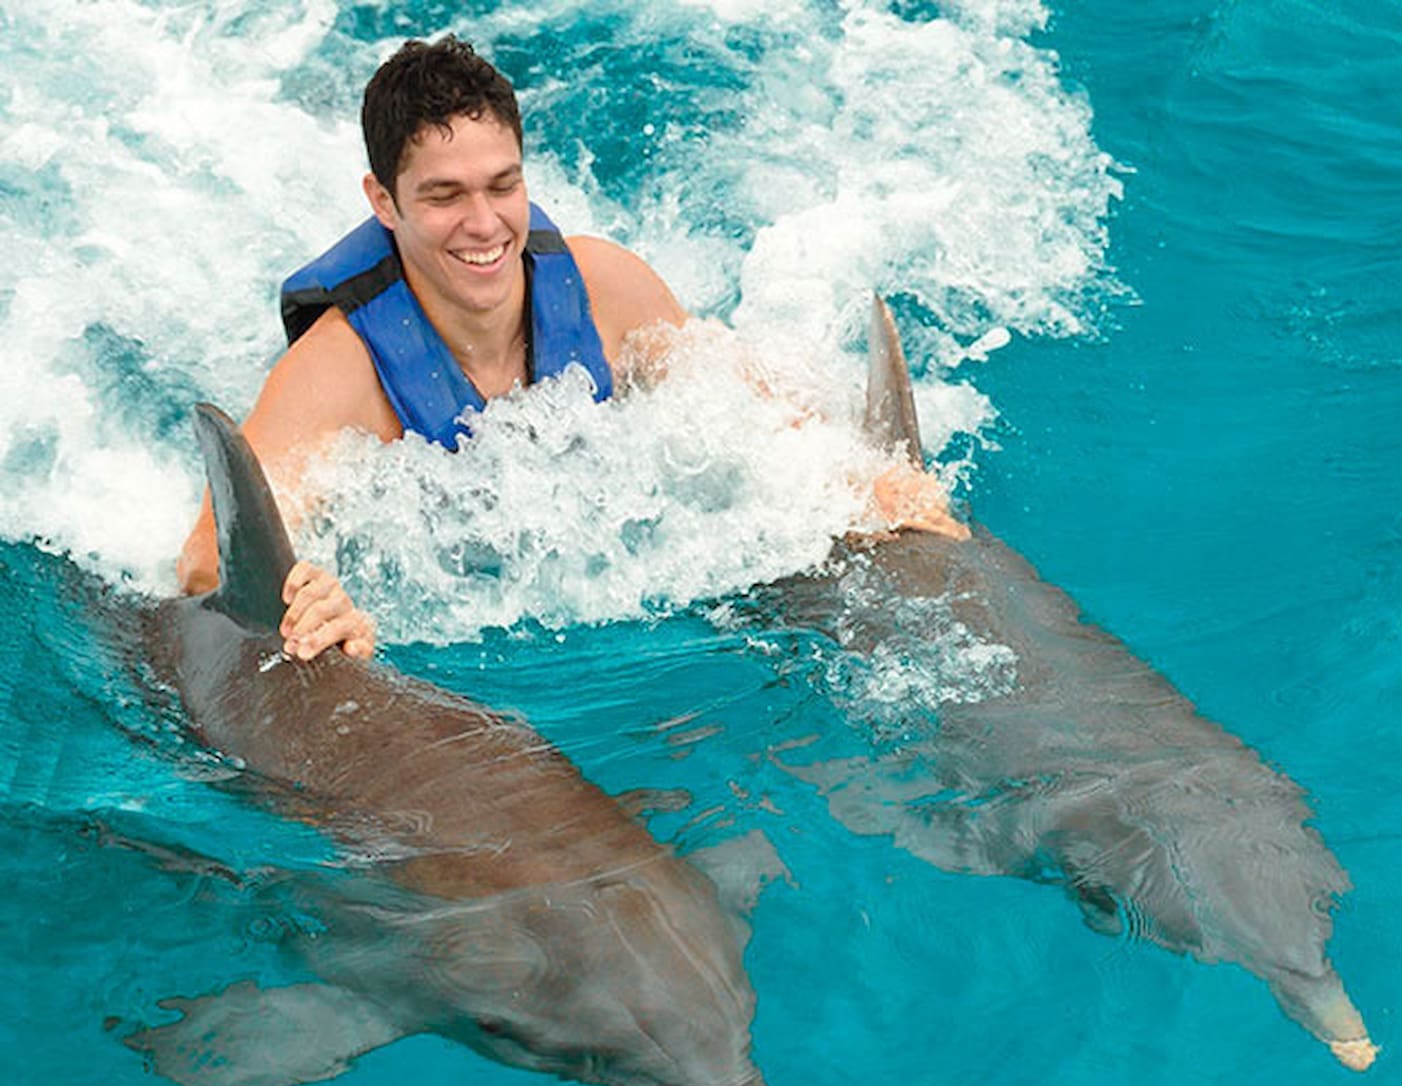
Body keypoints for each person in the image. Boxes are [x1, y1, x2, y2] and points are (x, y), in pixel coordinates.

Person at [178, 35, 966, 660]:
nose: (484, 225)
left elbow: (742, 410)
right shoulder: (341, 371)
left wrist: (860, 480)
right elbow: (208, 564)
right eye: (444, 196)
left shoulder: (604, 286)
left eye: (503, 185)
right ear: (383, 201)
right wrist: (308, 603)